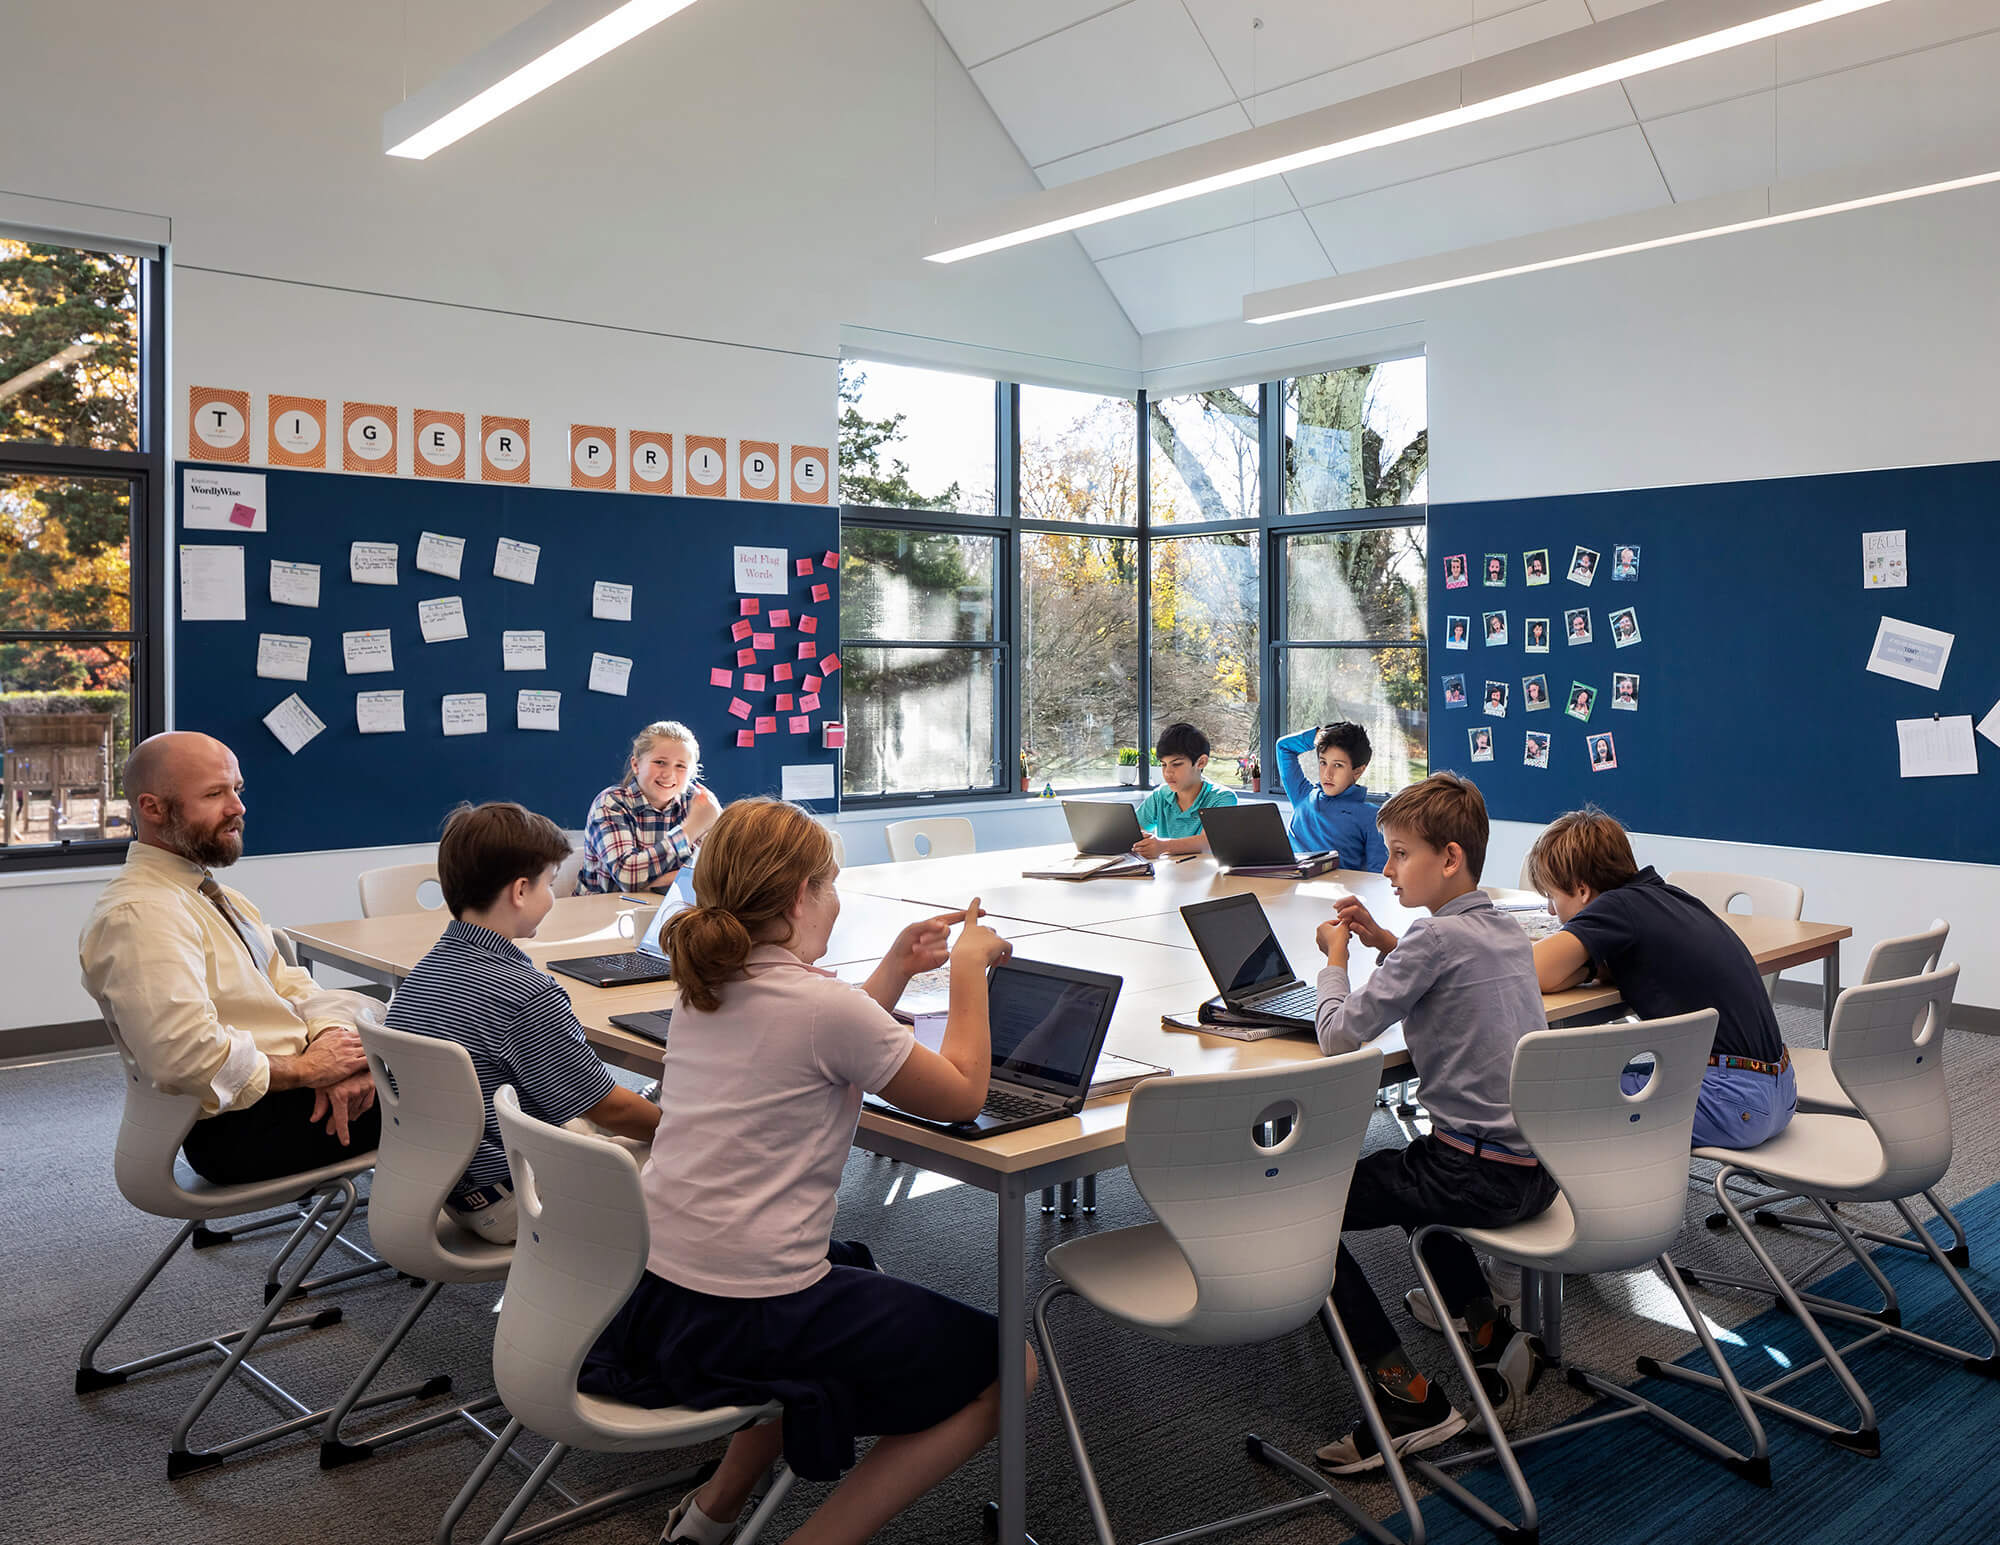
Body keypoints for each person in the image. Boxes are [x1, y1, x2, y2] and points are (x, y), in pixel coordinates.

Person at [579, 799, 1033, 1545]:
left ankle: (705, 1519)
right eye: (830, 883)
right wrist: (966, 972)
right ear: (798, 896)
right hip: (748, 1313)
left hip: (658, 1294)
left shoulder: (704, 984)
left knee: (849, 1265)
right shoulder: (823, 1008)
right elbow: (964, 1091)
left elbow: (814, 1036)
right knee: (1009, 1368)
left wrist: (890, 969)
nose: (836, 898)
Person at [1309, 774, 1557, 1471]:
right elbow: (1445, 969)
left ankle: (1405, 1399)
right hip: (1535, 1170)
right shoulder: (1504, 928)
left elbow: (1337, 1035)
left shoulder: (1430, 941)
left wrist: (1337, 958)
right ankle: (1487, 1331)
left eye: (1398, 854)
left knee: (1304, 1207)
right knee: (1404, 1166)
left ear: (1449, 857)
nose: (1385, 868)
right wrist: (1388, 940)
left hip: (1472, 1173)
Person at [78, 732, 379, 1184]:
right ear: (153, 809)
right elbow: (183, 1057)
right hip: (242, 1128)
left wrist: (337, 1051)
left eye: (237, 790)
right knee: (463, 1093)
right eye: (214, 794)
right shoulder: (143, 914)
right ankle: (481, 1226)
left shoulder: (212, 896)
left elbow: (297, 988)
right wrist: (307, 1069)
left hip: (285, 1096)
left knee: (424, 1062)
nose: (238, 807)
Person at [385, 802, 662, 1242]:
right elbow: (607, 1106)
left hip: (447, 1187)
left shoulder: (428, 969)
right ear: (519, 891)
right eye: (551, 884)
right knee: (688, 1153)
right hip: (520, 1200)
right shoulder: (526, 992)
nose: (553, 895)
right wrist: (679, 1128)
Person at [1526, 810, 1797, 1149]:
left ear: (1582, 890)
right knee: (1607, 1081)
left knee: (1565, 1094)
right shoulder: (1666, 896)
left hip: (1730, 1101)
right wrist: (1592, 967)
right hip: (1780, 1088)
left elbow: (1532, 970)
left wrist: (1578, 965)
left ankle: (1606, 1197)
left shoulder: (1615, 907)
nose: (1552, 912)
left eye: (1552, 898)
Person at [579, 721, 722, 894]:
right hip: (601, 910)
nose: (669, 774)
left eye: (680, 766)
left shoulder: (697, 802)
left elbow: (714, 871)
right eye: (660, 762)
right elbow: (627, 877)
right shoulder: (611, 803)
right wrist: (689, 831)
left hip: (669, 907)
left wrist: (650, 882)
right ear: (636, 765)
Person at [1274, 721, 1389, 870]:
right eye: (1323, 763)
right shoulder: (1303, 794)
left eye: (1338, 765)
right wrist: (1315, 736)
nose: (1327, 774)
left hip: (1337, 890)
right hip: (1288, 885)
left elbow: (1378, 876)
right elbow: (1283, 747)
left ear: (1358, 771)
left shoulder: (1372, 816)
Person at [1132, 721, 1237, 858]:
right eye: (1164, 765)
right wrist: (1142, 840)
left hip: (1205, 875)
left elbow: (1210, 842)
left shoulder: (1222, 798)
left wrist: (1162, 846)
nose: (1167, 773)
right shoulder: (1161, 795)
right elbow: (1132, 829)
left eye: (1176, 764)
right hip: (1166, 874)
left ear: (1201, 762)